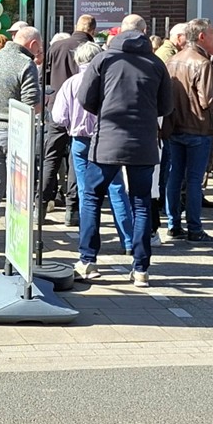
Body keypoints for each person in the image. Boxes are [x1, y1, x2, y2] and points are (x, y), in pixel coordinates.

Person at [75, 15, 173, 286]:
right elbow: (166, 106)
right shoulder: (156, 63)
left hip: (108, 137)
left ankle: (87, 261)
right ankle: (141, 268)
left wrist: (104, 111)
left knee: (92, 197)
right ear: (144, 32)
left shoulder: (105, 59)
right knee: (141, 202)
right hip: (143, 141)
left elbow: (84, 98)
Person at [0, 26, 42, 271]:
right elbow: (32, 104)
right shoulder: (25, 64)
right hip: (16, 133)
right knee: (19, 195)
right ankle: (17, 255)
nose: (40, 51)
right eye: (39, 47)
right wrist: (47, 98)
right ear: (32, 44)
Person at [163, 20, 213, 244]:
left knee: (175, 177)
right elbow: (206, 100)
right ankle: (195, 228)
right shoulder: (202, 63)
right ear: (201, 37)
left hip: (174, 126)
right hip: (197, 127)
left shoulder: (171, 60)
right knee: (194, 180)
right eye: (210, 34)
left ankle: (173, 225)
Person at [42, 14, 98, 225]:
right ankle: (72, 210)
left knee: (51, 158)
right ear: (92, 30)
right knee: (77, 161)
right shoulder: (95, 52)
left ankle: (41, 205)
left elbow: (43, 80)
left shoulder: (56, 47)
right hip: (86, 113)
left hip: (56, 109)